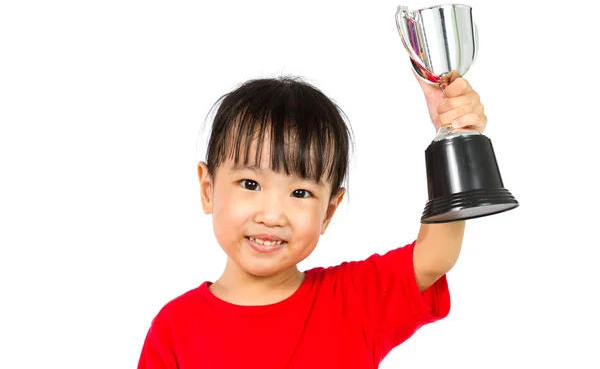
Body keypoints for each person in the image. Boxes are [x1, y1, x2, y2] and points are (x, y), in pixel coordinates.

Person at [137, 73, 487, 368]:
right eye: (250, 184)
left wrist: (455, 137)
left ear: (329, 211)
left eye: (300, 193)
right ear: (208, 189)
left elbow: (435, 256)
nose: (272, 216)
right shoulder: (175, 329)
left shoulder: (353, 302)